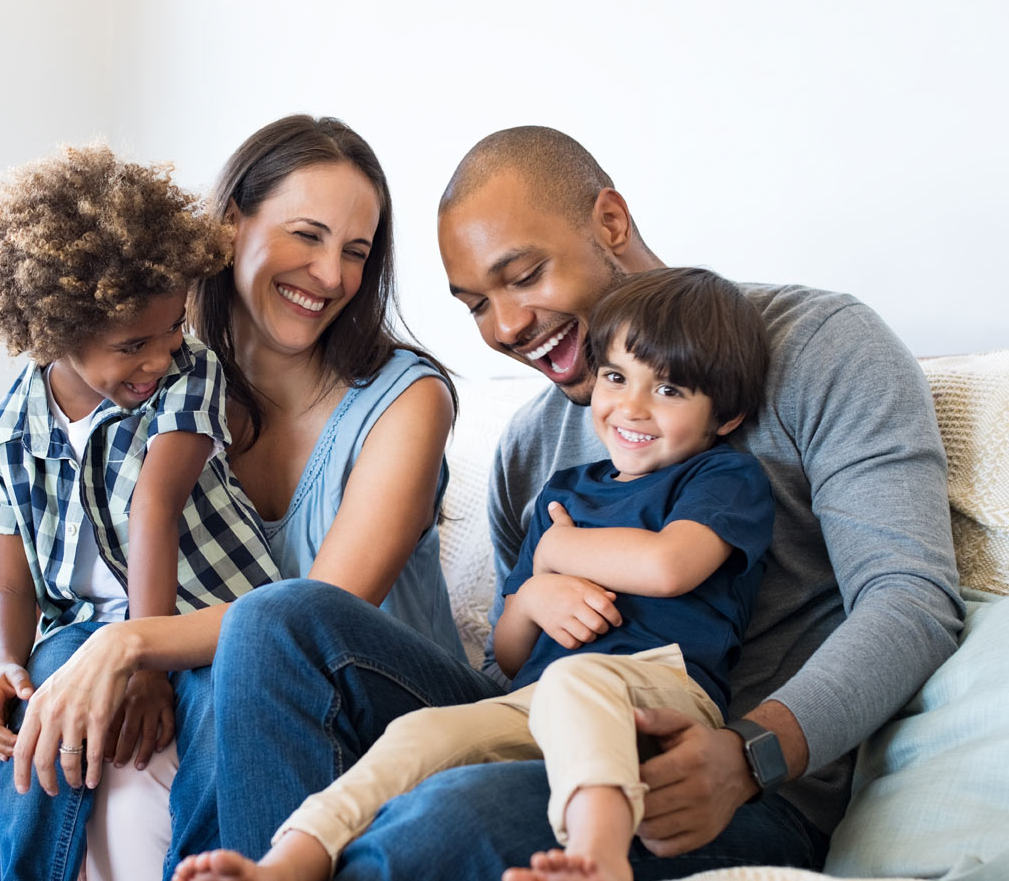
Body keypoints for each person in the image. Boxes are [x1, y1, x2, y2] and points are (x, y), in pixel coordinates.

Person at [202, 125, 964, 879]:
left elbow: (910, 599)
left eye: (525, 275)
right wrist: (536, 596)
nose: (505, 328)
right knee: (277, 621)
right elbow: (515, 661)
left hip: (722, 778)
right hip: (549, 723)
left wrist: (750, 754)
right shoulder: (533, 444)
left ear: (609, 223)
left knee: (446, 815)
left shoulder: (821, 347)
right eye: (475, 305)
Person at [0, 115, 489, 880]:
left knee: (236, 667)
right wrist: (7, 677)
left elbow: (313, 618)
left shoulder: (404, 401)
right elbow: (75, 571)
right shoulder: (149, 374)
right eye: (306, 235)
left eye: (355, 252)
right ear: (228, 227)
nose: (329, 275)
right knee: (76, 737)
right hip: (221, 678)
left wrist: (129, 646)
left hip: (371, 702)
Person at [173, 266, 774, 881]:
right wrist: (536, 591)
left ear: (724, 417)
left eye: (669, 391)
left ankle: (598, 859)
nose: (632, 407)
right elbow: (510, 655)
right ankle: (288, 861)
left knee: (577, 682)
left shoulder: (721, 478)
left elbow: (670, 566)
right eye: (617, 377)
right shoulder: (564, 494)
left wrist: (558, 555)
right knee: (420, 734)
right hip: (536, 701)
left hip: (658, 694)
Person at [0, 144, 280, 881]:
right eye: (133, 344)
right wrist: (4, 666)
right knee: (41, 705)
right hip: (80, 630)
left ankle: (206, 868)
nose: (160, 356)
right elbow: (11, 589)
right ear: (53, 332)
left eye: (172, 329)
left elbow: (154, 507)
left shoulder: (187, 374)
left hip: (206, 614)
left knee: (219, 709)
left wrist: (145, 658)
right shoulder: (5, 438)